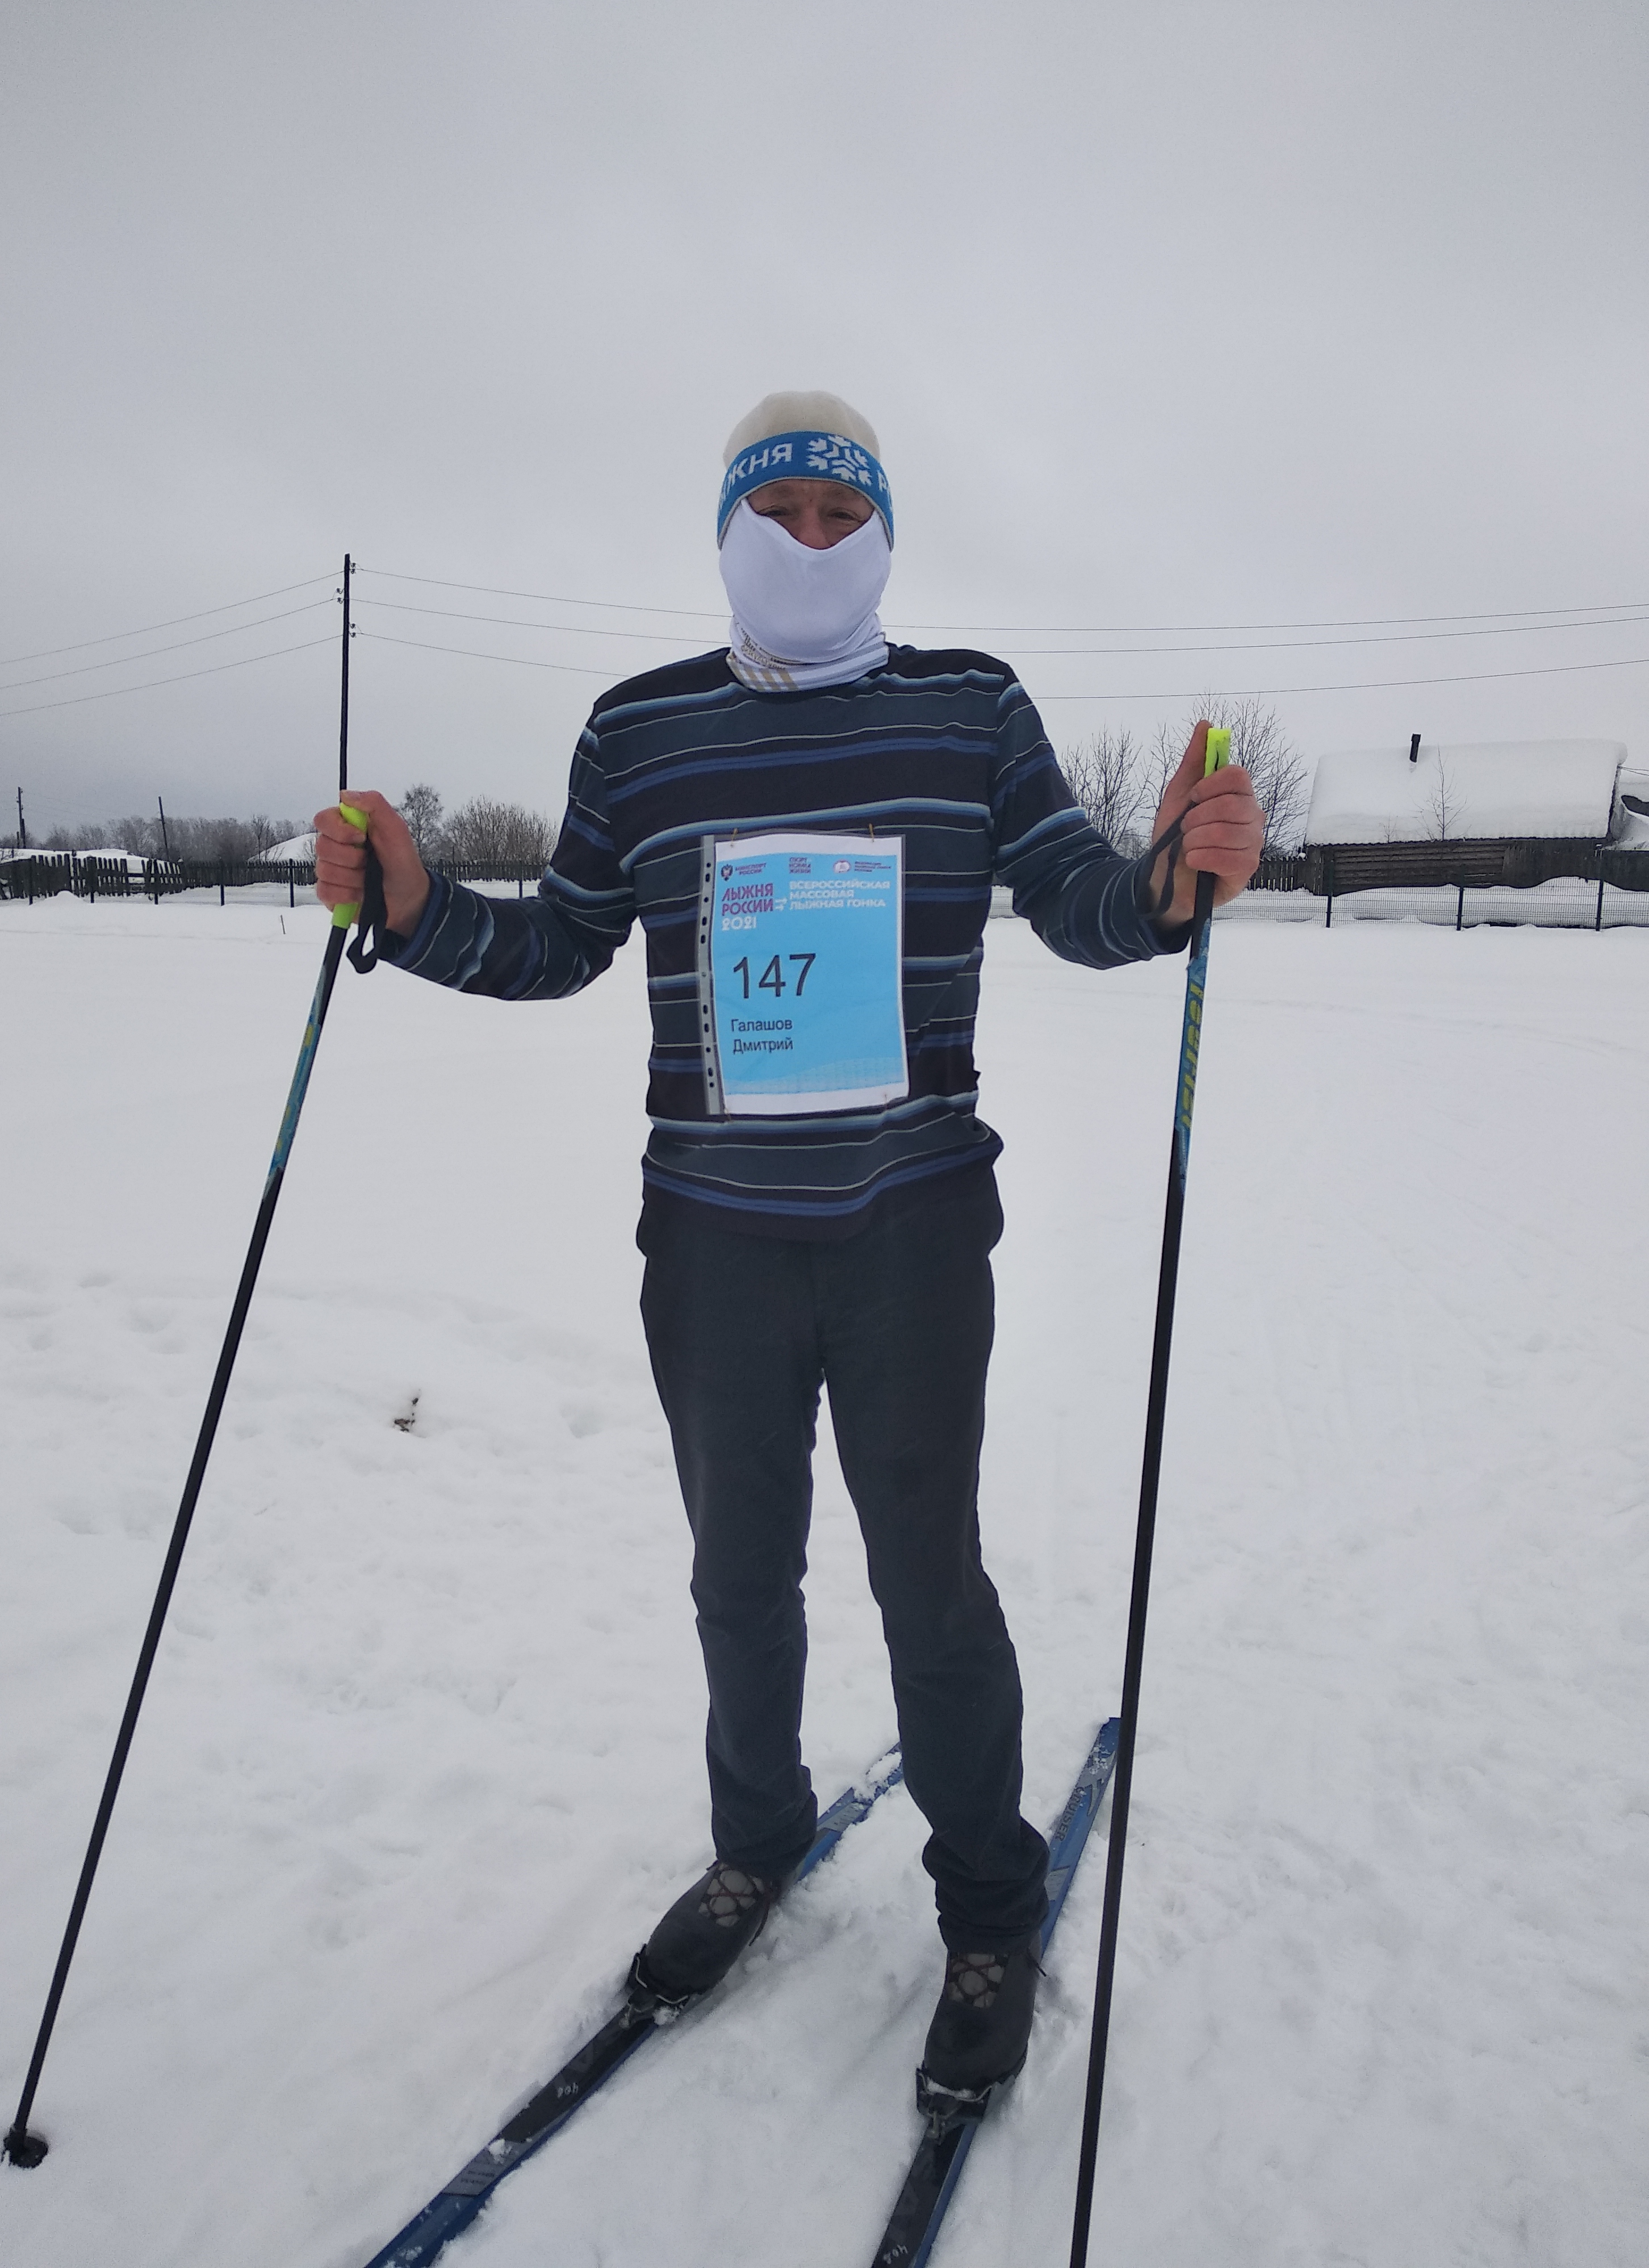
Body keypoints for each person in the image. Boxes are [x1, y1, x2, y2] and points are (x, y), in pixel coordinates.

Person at [315, 391, 1264, 2108]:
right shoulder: (640, 732)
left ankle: (989, 1907)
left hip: (911, 1234)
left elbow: (1074, 893)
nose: (813, 539)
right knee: (737, 1579)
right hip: (714, 1242)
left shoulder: (971, 707)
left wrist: (1172, 883)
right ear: (729, 530)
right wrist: (413, 912)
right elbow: (563, 941)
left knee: (929, 1580)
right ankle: (756, 1843)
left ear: (885, 535)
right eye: (783, 510)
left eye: (845, 512)